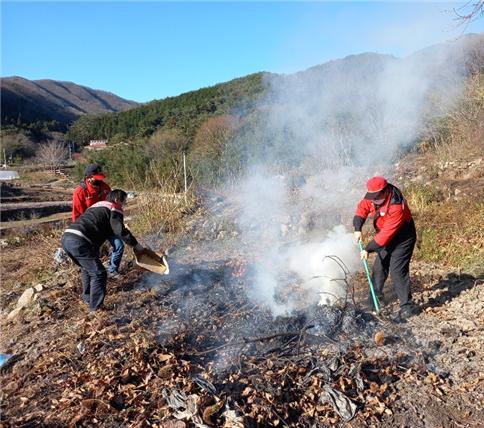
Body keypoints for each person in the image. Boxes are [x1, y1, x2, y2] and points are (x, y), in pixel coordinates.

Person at [61, 189, 147, 312]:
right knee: (99, 273)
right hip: (80, 240)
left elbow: (97, 225)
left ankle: (87, 298)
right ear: (117, 200)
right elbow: (120, 230)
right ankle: (96, 309)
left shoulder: (97, 205)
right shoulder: (114, 207)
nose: (124, 205)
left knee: (87, 268)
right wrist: (136, 245)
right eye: (124, 202)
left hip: (67, 237)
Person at [353, 176, 418, 320]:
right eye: (371, 196)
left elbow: (384, 237)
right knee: (379, 268)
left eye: (375, 196)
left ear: (385, 191)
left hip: (402, 238)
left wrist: (367, 249)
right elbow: (362, 208)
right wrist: (357, 228)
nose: (372, 199)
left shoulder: (396, 206)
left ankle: (407, 306)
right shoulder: (374, 196)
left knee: (397, 270)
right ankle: (375, 299)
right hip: (384, 236)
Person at [72, 164, 125, 278]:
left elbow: (113, 206)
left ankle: (112, 270)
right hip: (91, 228)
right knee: (93, 253)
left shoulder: (105, 187)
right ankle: (93, 275)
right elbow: (77, 214)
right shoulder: (80, 191)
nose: (99, 180)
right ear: (89, 177)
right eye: (97, 178)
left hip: (108, 224)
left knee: (119, 245)